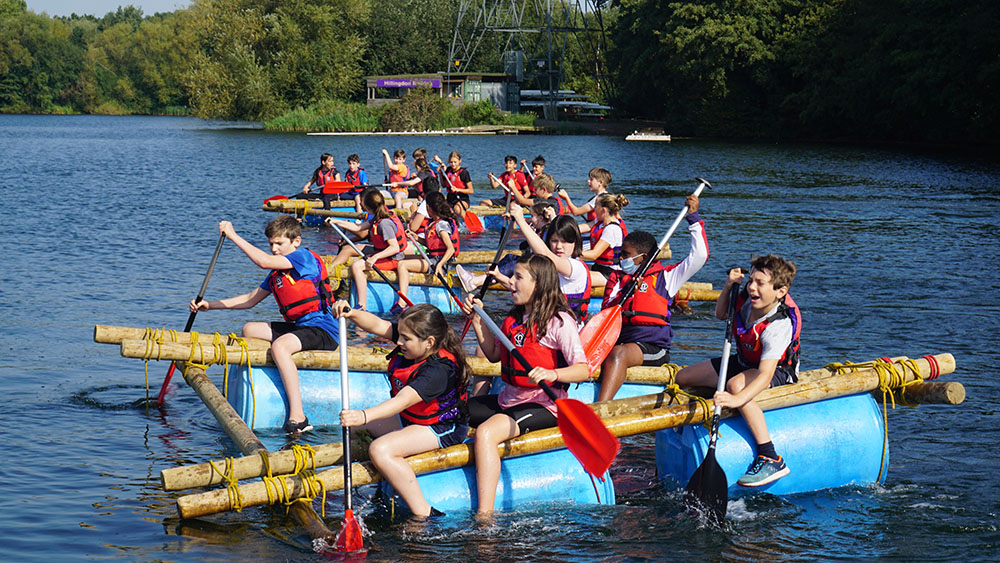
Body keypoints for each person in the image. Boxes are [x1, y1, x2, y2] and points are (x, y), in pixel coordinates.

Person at [461, 254, 590, 516]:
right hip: (508, 399)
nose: (511, 283)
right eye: (512, 276)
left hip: (543, 404)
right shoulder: (513, 319)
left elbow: (583, 370)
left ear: (538, 284)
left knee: (486, 432)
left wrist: (552, 374)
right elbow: (494, 355)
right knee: (455, 410)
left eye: (518, 277)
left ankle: (485, 517)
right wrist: (477, 320)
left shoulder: (560, 322)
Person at [189, 215, 338, 434]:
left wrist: (233, 235)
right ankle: (258, 383)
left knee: (280, 346)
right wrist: (209, 305)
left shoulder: (302, 256)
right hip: (301, 327)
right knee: (249, 329)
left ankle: (299, 416)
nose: (274, 248)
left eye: (279, 243)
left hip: (323, 330)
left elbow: (263, 261)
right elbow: (250, 299)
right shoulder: (276, 274)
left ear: (296, 241)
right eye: (271, 244)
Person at [674, 254, 800, 487]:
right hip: (743, 361)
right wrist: (728, 287)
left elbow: (765, 374)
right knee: (683, 378)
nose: (752, 287)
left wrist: (735, 399)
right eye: (751, 280)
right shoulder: (746, 300)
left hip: (777, 371)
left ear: (780, 292)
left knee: (735, 385)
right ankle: (689, 429)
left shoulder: (778, 325)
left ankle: (770, 455)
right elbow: (720, 314)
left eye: (760, 283)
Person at [336, 302, 471, 518]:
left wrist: (364, 415)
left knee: (380, 449)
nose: (398, 342)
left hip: (441, 428)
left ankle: (424, 512)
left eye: (405, 338)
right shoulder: (413, 342)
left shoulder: (438, 371)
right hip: (412, 421)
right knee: (354, 429)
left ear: (429, 342)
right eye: (400, 335)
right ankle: (361, 485)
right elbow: (377, 325)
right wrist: (351, 313)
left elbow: (402, 401)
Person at [596, 194, 708, 401]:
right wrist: (626, 290)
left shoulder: (666, 278)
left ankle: (600, 410)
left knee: (618, 354)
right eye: (620, 254)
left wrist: (693, 218)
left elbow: (699, 256)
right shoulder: (617, 278)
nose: (620, 259)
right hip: (621, 340)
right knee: (612, 351)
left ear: (643, 258)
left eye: (625, 255)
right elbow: (605, 313)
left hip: (652, 348)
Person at [505, 203, 591, 323]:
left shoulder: (576, 267)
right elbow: (525, 289)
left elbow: (545, 254)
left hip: (566, 327)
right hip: (544, 324)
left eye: (565, 242)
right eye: (554, 241)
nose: (559, 247)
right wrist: (498, 276)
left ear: (575, 243)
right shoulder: (548, 266)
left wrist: (521, 221)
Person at [326, 190, 408, 312]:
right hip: (382, 253)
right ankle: (330, 278)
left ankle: (361, 305)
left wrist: (375, 257)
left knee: (357, 266)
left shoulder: (384, 223)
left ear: (369, 208)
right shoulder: (377, 218)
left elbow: (394, 247)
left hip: (393, 258)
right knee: (351, 251)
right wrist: (336, 221)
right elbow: (358, 227)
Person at [456, 201, 556, 293]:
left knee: (514, 264)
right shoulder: (539, 229)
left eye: (532, 216)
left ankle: (474, 282)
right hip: (533, 262)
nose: (531, 219)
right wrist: (515, 218)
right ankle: (481, 279)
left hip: (540, 268)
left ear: (541, 218)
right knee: (509, 257)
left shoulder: (547, 231)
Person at [396, 191, 460, 311]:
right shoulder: (433, 223)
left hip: (439, 262)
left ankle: (402, 303)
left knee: (402, 265)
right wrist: (416, 238)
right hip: (432, 258)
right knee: (401, 258)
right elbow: (432, 244)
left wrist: (440, 265)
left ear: (429, 208)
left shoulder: (441, 225)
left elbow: (450, 249)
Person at [581, 193, 629, 286]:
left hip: (610, 273)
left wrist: (571, 253)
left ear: (603, 210)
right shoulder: (601, 223)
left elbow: (594, 255)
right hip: (599, 267)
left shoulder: (611, 229)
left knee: (574, 275)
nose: (594, 210)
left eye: (596, 207)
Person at [558, 167, 611, 234]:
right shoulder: (606, 195)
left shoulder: (599, 198)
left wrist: (566, 198)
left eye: (591, 179)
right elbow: (592, 224)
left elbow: (576, 212)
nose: (588, 181)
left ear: (600, 182)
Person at [433, 151, 474, 217]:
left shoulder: (464, 173)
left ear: (460, 161)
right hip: (450, 198)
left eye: (455, 162)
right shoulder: (448, 170)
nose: (453, 164)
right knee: (439, 209)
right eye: (451, 162)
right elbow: (443, 185)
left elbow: (471, 190)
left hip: (462, 199)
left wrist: (458, 190)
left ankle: (465, 224)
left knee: (457, 209)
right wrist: (440, 174)